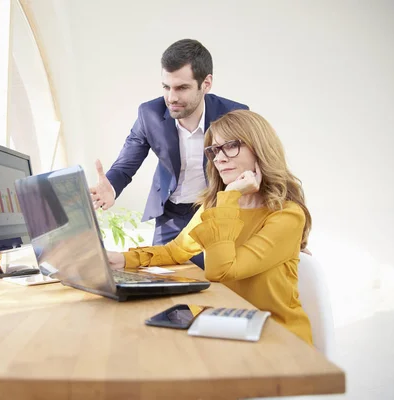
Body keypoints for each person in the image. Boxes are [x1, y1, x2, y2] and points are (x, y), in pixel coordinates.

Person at [106, 110, 313, 345]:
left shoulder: (287, 216)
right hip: (229, 326)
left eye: (231, 146)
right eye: (215, 150)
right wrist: (121, 260)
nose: (219, 158)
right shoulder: (215, 206)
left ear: (260, 148)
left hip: (277, 336)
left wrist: (230, 195)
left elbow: (221, 271)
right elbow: (176, 251)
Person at [89, 39, 248, 269]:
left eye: (182, 88)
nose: (171, 97)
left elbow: (263, 168)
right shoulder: (150, 114)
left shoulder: (234, 114)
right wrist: (111, 187)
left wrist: (289, 235)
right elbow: (125, 165)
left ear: (206, 83)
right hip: (171, 214)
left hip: (216, 209)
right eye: (166, 87)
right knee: (160, 281)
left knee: (216, 282)